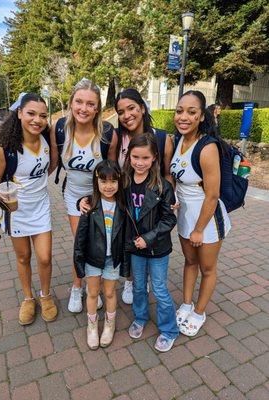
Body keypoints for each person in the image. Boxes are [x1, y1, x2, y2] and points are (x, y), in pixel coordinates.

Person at [0, 93, 58, 326]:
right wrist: (2, 193)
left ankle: (45, 296)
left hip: (41, 208)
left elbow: (52, 165)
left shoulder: (47, 138)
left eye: (42, 115)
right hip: (16, 211)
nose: (37, 120)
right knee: (23, 256)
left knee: (45, 257)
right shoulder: (4, 148)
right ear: (19, 113)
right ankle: (28, 299)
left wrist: (35, 185)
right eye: (31, 113)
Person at [50, 78, 118, 313]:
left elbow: (113, 170)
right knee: (82, 242)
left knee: (99, 244)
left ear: (97, 108)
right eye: (79, 102)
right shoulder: (60, 128)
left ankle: (94, 289)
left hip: (100, 197)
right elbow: (51, 163)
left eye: (90, 104)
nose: (84, 108)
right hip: (73, 195)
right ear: (71, 103)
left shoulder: (108, 132)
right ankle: (77, 287)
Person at [170, 90, 231, 336]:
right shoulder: (178, 141)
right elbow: (176, 177)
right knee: (189, 261)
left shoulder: (207, 147)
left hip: (206, 220)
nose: (183, 117)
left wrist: (198, 229)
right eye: (179, 111)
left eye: (191, 112)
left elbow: (212, 195)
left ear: (201, 117)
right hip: (184, 216)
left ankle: (199, 312)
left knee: (207, 268)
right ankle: (186, 303)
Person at [115, 88, 172, 305]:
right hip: (128, 201)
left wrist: (170, 197)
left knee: (152, 237)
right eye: (121, 111)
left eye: (131, 108)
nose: (127, 115)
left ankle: (147, 278)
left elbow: (166, 172)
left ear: (142, 107)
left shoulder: (161, 137)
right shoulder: (116, 138)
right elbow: (114, 171)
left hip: (153, 203)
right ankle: (131, 280)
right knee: (130, 239)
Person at [124, 134, 178, 352]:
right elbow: (105, 193)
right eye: (135, 157)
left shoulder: (162, 186)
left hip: (157, 248)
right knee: (138, 285)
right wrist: (84, 200)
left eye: (145, 158)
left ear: (154, 157)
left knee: (159, 288)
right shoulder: (124, 182)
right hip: (135, 247)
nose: (139, 162)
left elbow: (169, 219)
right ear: (129, 157)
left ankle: (169, 330)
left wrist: (148, 238)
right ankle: (140, 317)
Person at [74, 160, 129, 349]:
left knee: (109, 292)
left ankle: (109, 324)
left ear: (120, 182)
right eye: (103, 181)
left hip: (112, 259)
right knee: (92, 292)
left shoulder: (123, 205)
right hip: (93, 258)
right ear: (96, 182)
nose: (108, 186)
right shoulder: (90, 204)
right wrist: (79, 260)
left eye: (113, 181)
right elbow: (80, 237)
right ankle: (91, 327)